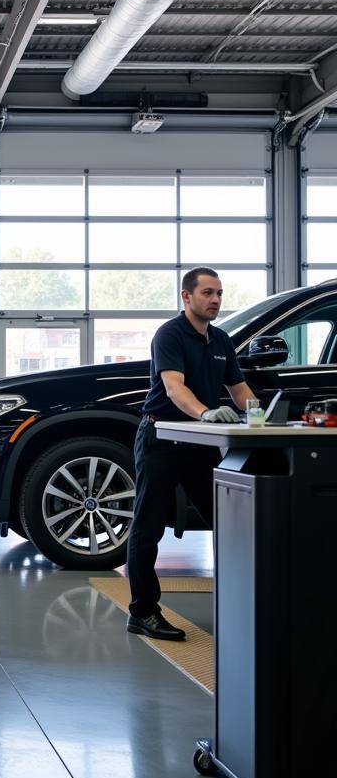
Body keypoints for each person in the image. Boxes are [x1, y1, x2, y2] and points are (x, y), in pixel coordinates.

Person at [125, 266, 257, 642]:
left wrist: (261, 413)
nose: (215, 300)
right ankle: (143, 612)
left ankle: (239, 603)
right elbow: (173, 388)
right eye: (207, 293)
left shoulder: (221, 340)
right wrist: (204, 412)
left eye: (219, 293)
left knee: (228, 523)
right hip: (161, 439)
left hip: (199, 444)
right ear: (187, 297)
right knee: (147, 527)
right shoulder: (169, 334)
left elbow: (239, 389)